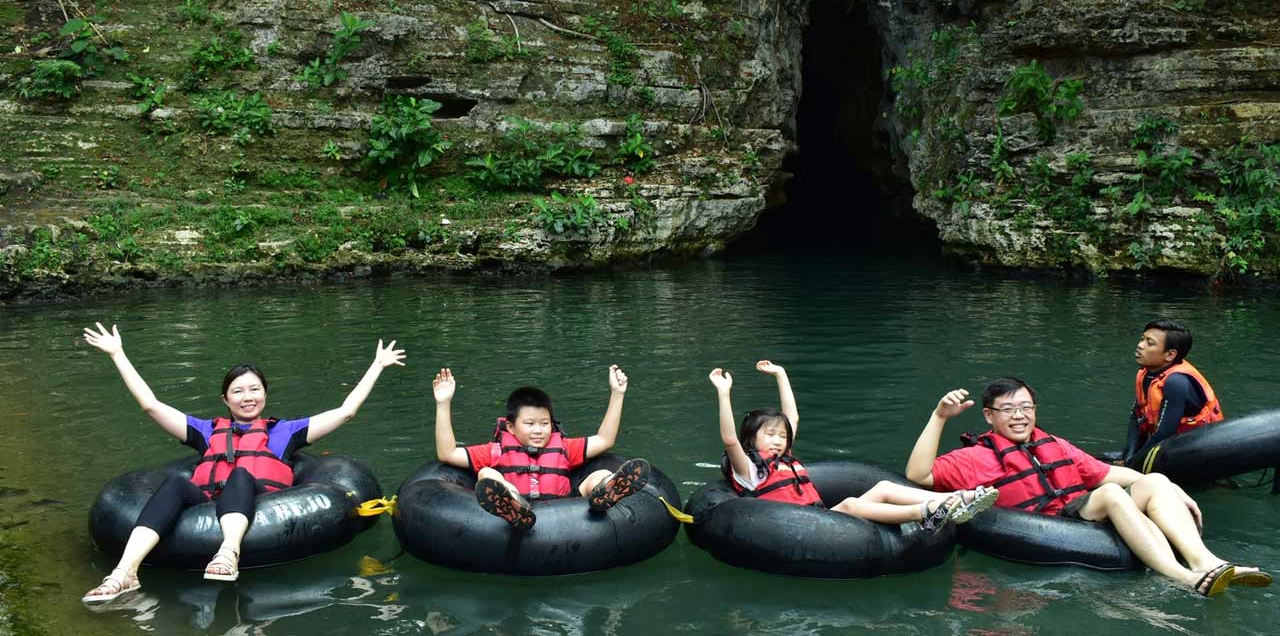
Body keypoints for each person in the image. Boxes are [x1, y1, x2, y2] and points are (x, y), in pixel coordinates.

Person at [81, 323, 406, 603]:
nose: (247, 396)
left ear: (265, 394)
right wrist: (117, 354)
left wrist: (377, 365)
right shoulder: (206, 431)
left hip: (262, 501)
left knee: (239, 474)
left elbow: (345, 411)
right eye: (238, 391)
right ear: (226, 399)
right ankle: (125, 572)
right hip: (208, 502)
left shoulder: (285, 432)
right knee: (177, 483)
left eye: (254, 389)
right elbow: (151, 406)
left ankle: (229, 553)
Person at [905, 377, 1271, 596]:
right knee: (1112, 494)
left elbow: (1108, 473)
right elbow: (919, 476)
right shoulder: (973, 458)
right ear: (989, 415)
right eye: (1009, 409)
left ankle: (1211, 563)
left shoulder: (1054, 444)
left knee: (1155, 479)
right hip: (1047, 524)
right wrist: (939, 417)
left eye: (1026, 407)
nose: (1020, 416)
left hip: (1078, 509)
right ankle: (1181, 577)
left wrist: (1173, 489)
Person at [711, 360, 998, 530]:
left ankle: (961, 498)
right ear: (752, 439)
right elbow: (728, 438)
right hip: (796, 527)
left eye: (781, 436)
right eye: (769, 435)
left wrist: (781, 374)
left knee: (884, 488)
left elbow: (792, 416)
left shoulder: (784, 457)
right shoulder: (749, 468)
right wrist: (724, 393)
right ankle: (924, 514)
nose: (778, 440)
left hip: (817, 518)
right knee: (850, 503)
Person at [431, 365, 650, 531]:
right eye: (529, 424)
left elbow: (604, 440)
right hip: (518, 503)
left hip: (568, 508)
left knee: (601, 474)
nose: (539, 430)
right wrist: (443, 403)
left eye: (545, 423)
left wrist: (617, 394)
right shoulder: (495, 450)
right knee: (487, 473)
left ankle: (606, 492)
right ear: (511, 426)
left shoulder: (564, 446)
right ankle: (511, 505)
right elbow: (447, 453)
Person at [1124, 319, 1224, 467]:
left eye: (1149, 343)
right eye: (1142, 339)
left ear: (1170, 355)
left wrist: (1132, 466)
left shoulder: (1176, 382)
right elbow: (1137, 419)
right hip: (1166, 444)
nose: (1140, 346)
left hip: (1197, 449)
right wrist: (1129, 457)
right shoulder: (1146, 375)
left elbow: (1165, 433)